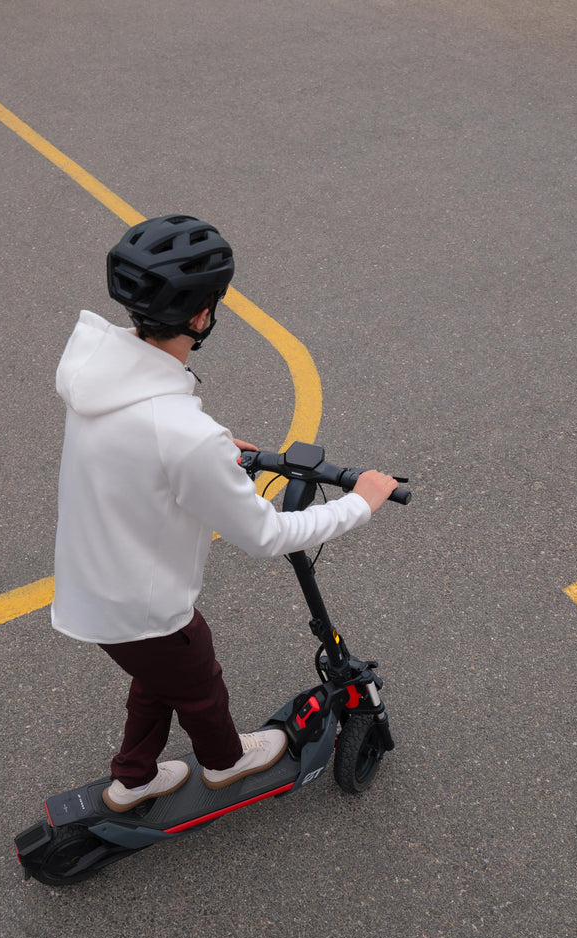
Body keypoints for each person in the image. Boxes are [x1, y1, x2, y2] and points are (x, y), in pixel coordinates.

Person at [50, 214, 400, 813]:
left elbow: (141, 448)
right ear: (202, 316)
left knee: (158, 679)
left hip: (94, 587)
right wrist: (359, 505)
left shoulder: (99, 379)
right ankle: (224, 762)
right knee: (198, 682)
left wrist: (209, 453)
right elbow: (266, 535)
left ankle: (133, 779)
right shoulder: (184, 436)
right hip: (144, 607)